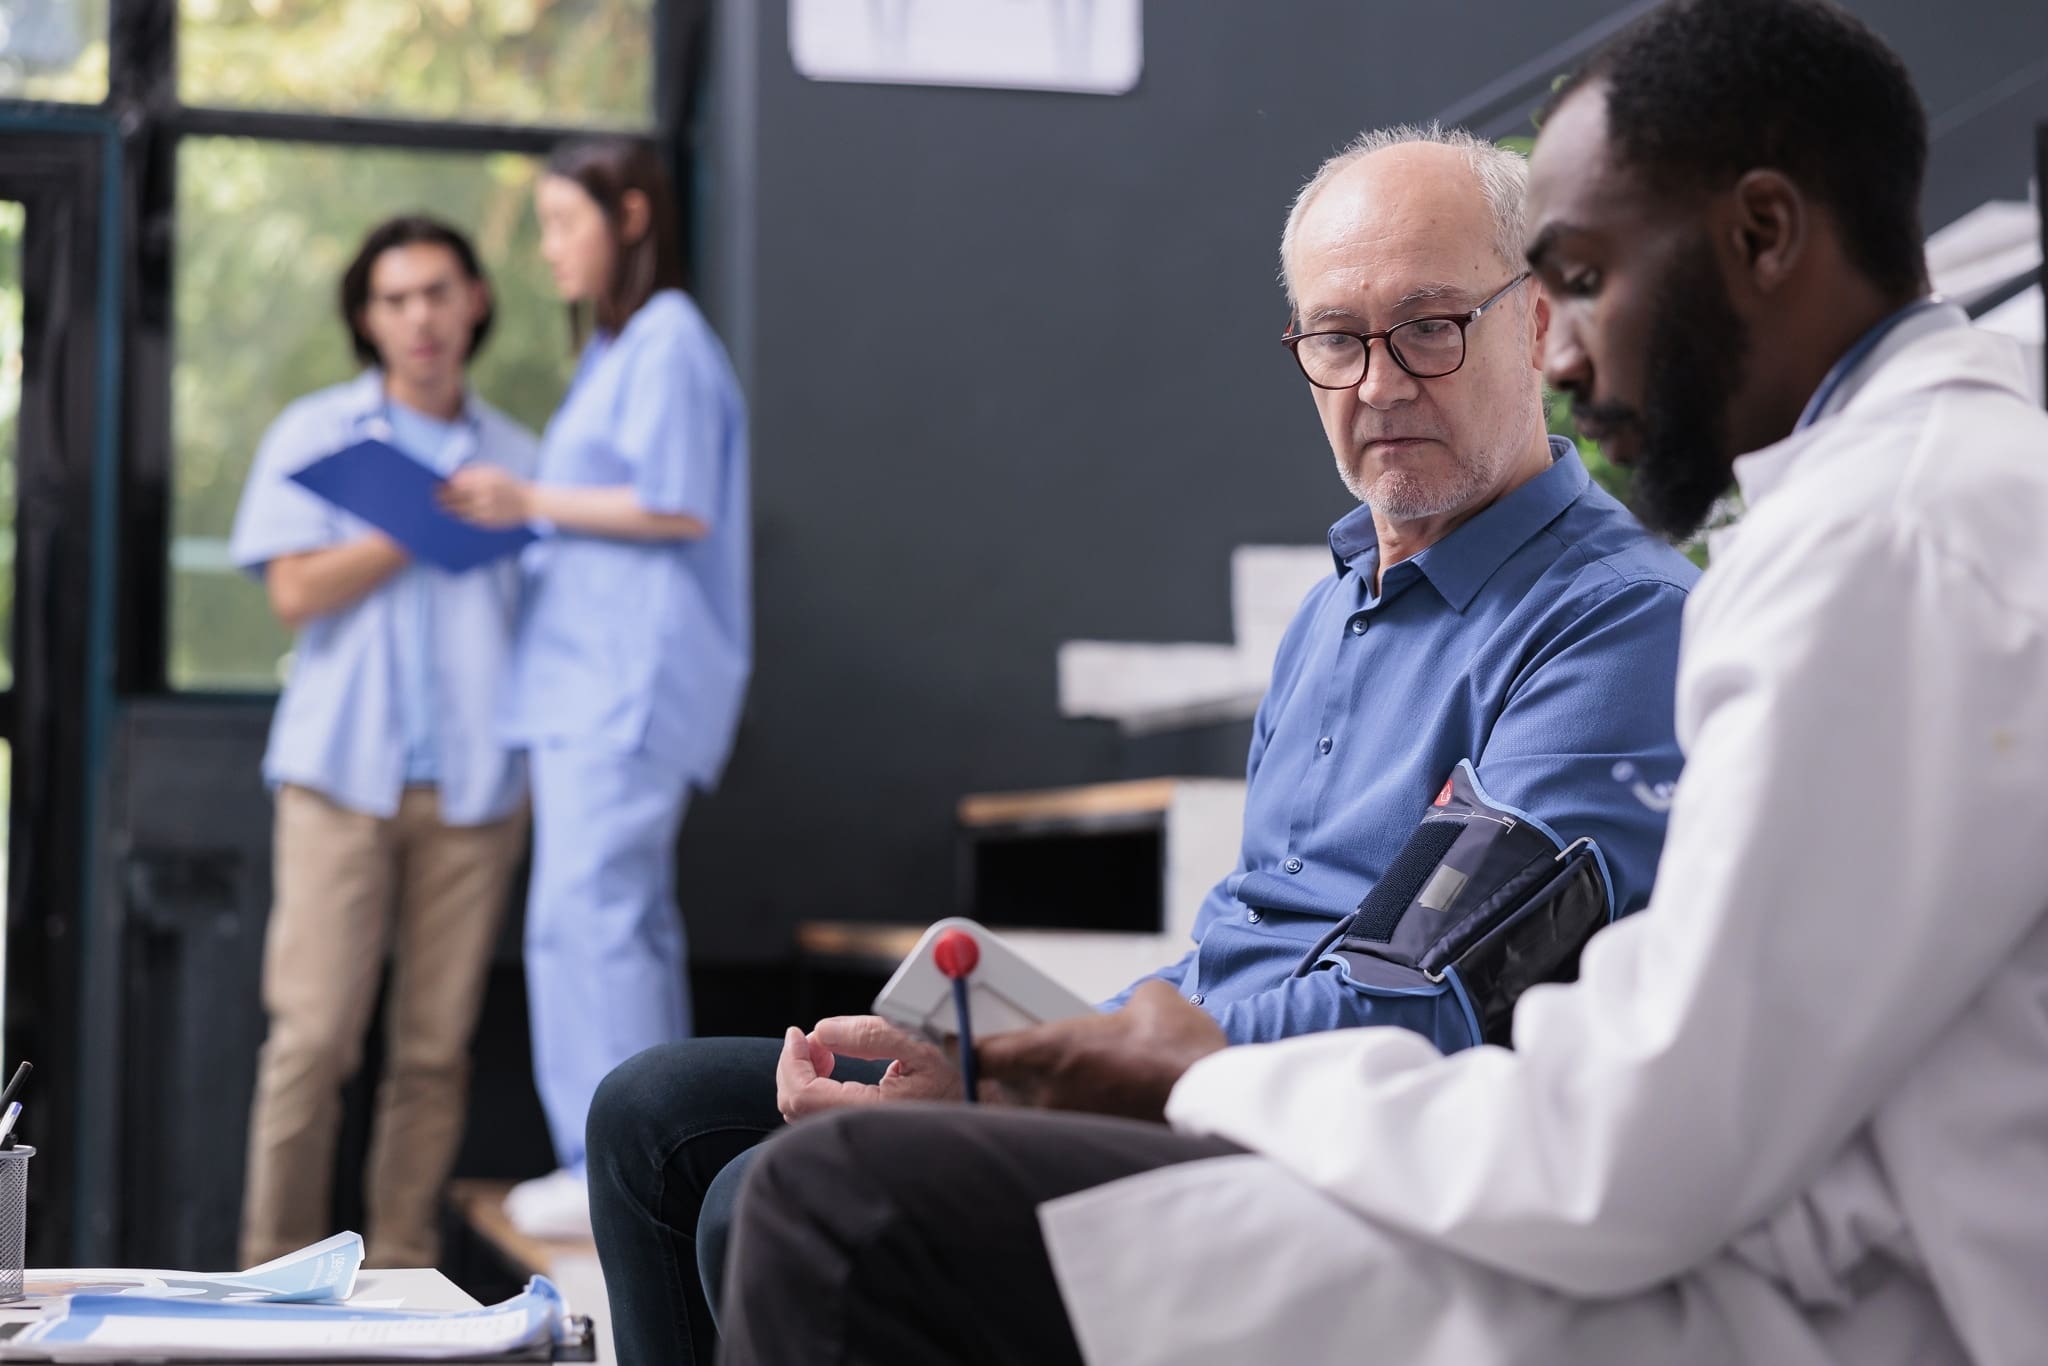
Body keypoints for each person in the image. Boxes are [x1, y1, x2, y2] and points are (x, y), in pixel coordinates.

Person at [714, 2, 2048, 1363]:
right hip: (1704, 1206)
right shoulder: (1907, 501)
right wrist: (1107, 1056)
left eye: (1577, 283)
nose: (1571, 351)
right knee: (709, 1130)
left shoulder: (1876, 547)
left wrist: (1206, 1075)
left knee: (841, 1211)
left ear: (1761, 235)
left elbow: (1620, 1144)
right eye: (1334, 340)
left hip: (1795, 1293)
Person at [587, 126, 1702, 1365]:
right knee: (658, 1114)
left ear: (1537, 324)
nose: (1378, 384)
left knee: (784, 1191)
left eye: (1429, 326)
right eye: (1335, 338)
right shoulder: (1338, 604)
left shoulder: (1611, 624)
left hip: (1329, 1136)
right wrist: (1002, 1060)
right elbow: (1243, 936)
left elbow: (1427, 1000)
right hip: (1199, 1076)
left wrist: (1054, 1070)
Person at [438, 138, 752, 1240]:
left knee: (596, 922)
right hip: (588, 684)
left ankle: (604, 1158)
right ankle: (628, 1151)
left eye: (564, 224)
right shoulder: (620, 353)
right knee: (607, 924)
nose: (549, 251)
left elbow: (675, 507)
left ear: (629, 215)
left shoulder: (666, 344)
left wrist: (527, 496)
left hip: (625, 686)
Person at [231, 216, 536, 1270]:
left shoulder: (520, 460)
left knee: (433, 1054)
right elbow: (292, 591)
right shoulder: (315, 436)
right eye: (396, 299)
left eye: (438, 293)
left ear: (476, 302)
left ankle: (402, 1279)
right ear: (368, 316)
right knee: (310, 1045)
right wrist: (410, 525)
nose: (420, 318)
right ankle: (273, 1273)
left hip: (475, 795)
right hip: (336, 784)